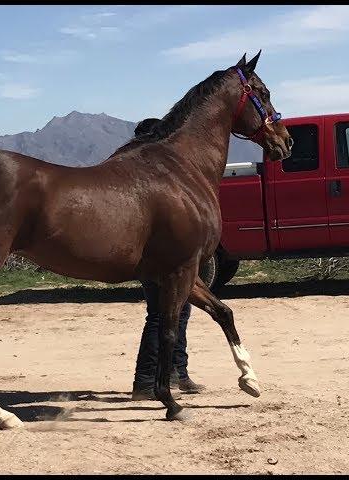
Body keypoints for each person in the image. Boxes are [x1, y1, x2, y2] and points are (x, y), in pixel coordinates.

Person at [130, 118, 206, 401]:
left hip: (171, 259)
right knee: (161, 314)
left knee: (180, 310)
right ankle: (145, 380)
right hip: (157, 261)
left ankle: (177, 371)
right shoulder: (145, 176)